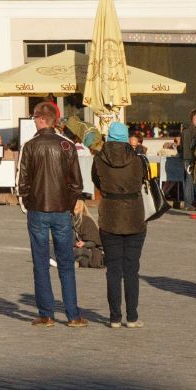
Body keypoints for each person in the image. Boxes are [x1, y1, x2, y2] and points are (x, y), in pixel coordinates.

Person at [17, 101, 86, 328]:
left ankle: (46, 314)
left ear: (40, 119)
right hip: (60, 210)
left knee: (41, 263)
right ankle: (73, 315)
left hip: (38, 209)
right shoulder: (66, 145)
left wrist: (27, 204)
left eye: (35, 117)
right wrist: (67, 204)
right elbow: (77, 183)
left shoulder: (30, 145)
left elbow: (22, 181)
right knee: (66, 263)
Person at [91, 122, 147, 328]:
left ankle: (115, 317)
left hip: (110, 215)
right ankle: (132, 316)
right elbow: (143, 180)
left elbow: (96, 181)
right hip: (134, 215)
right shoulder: (138, 159)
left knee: (113, 269)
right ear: (126, 138)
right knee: (132, 269)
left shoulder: (99, 159)